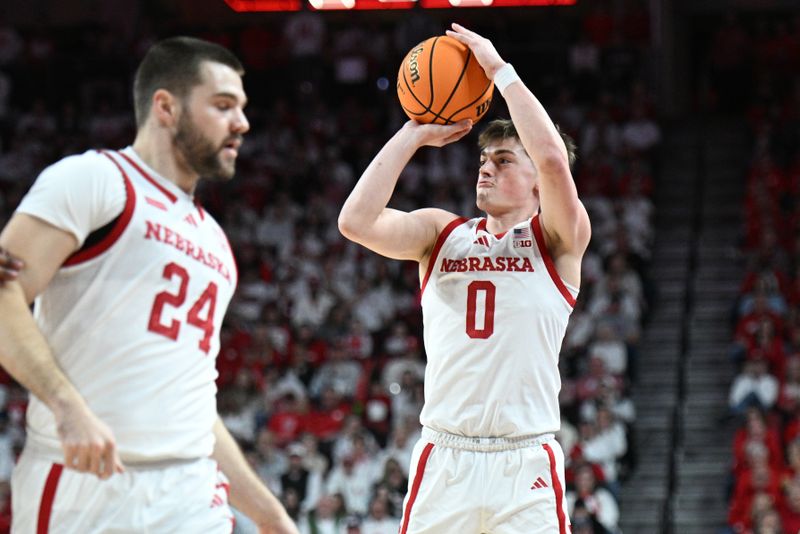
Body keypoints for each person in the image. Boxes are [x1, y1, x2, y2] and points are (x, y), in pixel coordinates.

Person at [0, 37, 298, 533]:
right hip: (88, 485)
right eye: (223, 106)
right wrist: (66, 406)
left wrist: (271, 516)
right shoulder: (93, 179)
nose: (242, 123)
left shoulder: (216, 242)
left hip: (190, 491)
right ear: (165, 106)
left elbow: (193, 404)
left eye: (242, 109)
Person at [338, 23, 590, 534]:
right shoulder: (440, 232)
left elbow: (551, 160)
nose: (485, 169)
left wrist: (499, 71)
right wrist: (413, 131)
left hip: (525, 462)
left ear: (538, 184)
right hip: (445, 454)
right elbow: (355, 222)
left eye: (502, 160)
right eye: (482, 159)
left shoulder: (558, 240)